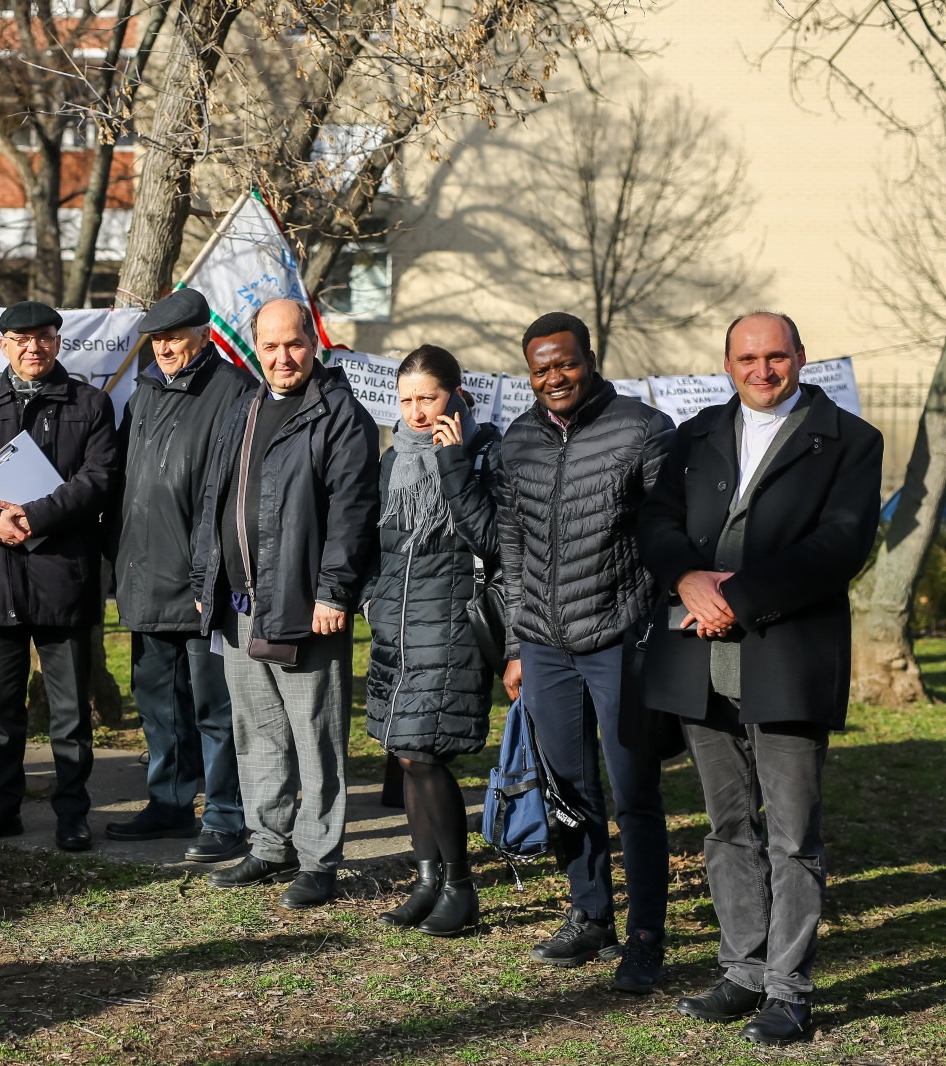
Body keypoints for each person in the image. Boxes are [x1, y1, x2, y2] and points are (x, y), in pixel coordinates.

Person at [638, 312, 882, 1045]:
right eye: (748, 358)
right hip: (699, 660)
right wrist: (686, 579)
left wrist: (737, 598)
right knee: (727, 827)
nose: (763, 370)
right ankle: (742, 971)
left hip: (787, 657)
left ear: (801, 357)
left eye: (776, 356)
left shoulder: (850, 439)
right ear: (727, 363)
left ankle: (788, 989)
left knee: (793, 835)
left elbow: (840, 545)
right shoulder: (695, 434)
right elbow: (655, 521)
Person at [493, 311, 673, 990]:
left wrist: (650, 626)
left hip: (619, 641)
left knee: (635, 795)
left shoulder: (643, 430)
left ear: (590, 360)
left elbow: (668, 535)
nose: (555, 377)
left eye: (565, 363)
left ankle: (646, 935)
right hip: (545, 646)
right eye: (541, 369)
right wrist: (516, 642)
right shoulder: (517, 442)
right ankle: (590, 913)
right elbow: (512, 550)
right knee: (568, 791)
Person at [189, 298, 379, 909]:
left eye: (293, 344)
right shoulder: (243, 407)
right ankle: (269, 845)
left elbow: (353, 512)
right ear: (256, 348)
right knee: (257, 732)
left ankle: (318, 859)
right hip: (239, 604)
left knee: (316, 736)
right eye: (269, 346)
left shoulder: (340, 414)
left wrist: (333, 590)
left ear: (313, 343)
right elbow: (214, 498)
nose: (282, 357)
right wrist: (205, 581)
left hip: (305, 604)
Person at [0, 300, 119, 852]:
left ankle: (72, 812)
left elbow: (99, 477)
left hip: (62, 575)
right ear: (3, 345)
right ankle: (1, 808)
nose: (32, 347)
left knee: (69, 711)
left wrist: (36, 515)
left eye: (43, 337)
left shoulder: (90, 403)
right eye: (21, 339)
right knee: (0, 708)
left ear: (58, 342)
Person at [107, 288, 256, 861]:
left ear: (204, 335)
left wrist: (210, 576)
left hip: (202, 583)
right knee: (158, 703)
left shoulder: (234, 391)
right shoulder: (144, 391)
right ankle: (169, 804)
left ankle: (225, 816)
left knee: (215, 708)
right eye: (157, 340)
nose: (164, 349)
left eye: (175, 338)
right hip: (145, 576)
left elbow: (231, 495)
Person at [366, 346, 499, 936]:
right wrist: (372, 599)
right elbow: (377, 541)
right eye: (407, 400)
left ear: (456, 395)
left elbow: (488, 538)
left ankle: (460, 888)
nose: (417, 412)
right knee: (404, 755)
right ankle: (427, 881)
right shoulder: (393, 458)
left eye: (429, 398)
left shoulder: (484, 450)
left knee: (424, 754)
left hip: (449, 625)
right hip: (395, 625)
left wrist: (454, 461)